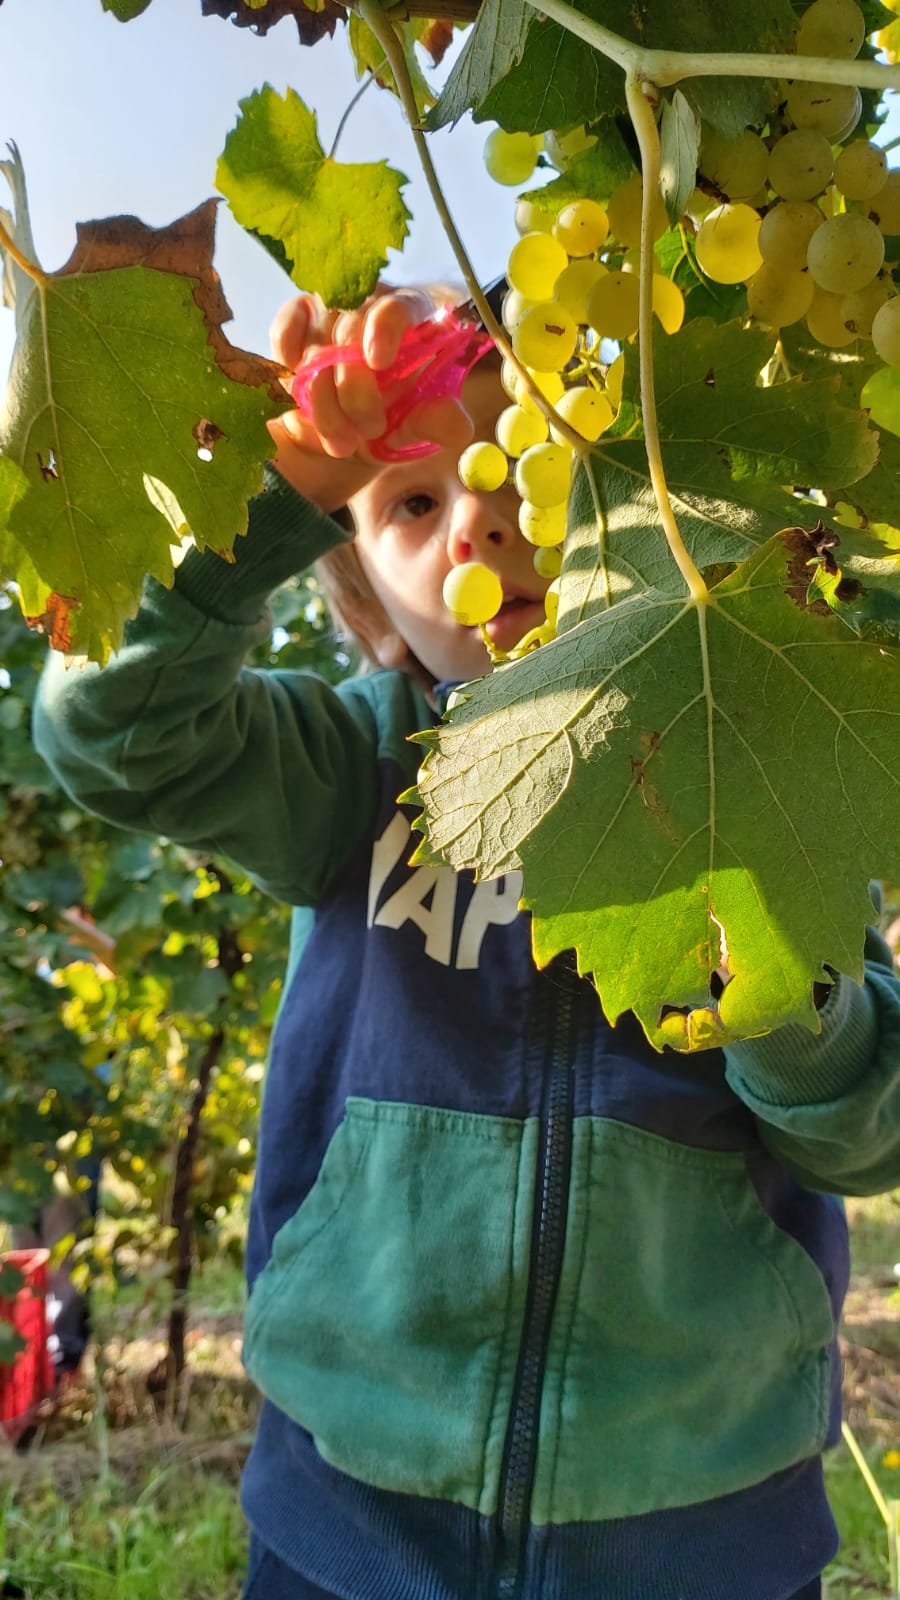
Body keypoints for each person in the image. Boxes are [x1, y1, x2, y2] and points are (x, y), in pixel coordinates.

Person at [32, 281, 900, 1600]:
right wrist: (281, 487)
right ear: (360, 582)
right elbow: (105, 726)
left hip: (701, 1523)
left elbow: (867, 1136)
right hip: (354, 1517)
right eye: (407, 503)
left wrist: (791, 1012)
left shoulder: (753, 779)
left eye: (528, 469)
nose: (483, 519)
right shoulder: (355, 766)